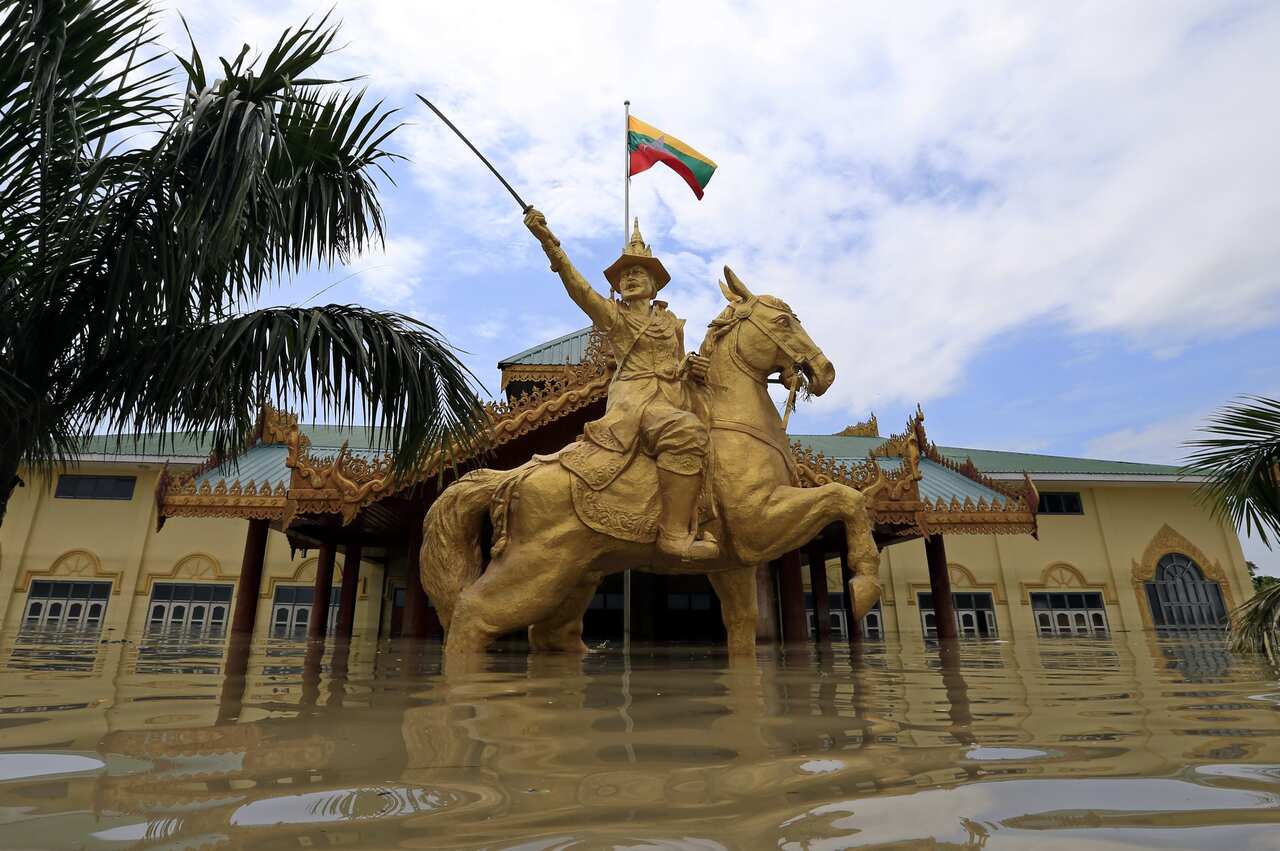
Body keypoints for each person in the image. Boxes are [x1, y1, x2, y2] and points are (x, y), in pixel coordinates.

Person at [524, 208, 719, 561]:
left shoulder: (671, 323)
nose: (630, 279)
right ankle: (675, 535)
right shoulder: (615, 318)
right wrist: (550, 245)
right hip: (638, 403)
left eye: (638, 273)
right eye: (624, 275)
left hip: (675, 397)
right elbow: (579, 290)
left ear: (654, 284)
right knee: (686, 432)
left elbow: (676, 365)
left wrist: (694, 368)